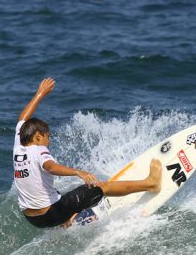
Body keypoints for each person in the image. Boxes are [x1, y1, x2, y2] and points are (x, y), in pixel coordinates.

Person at [13, 78, 162, 228]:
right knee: (100, 187)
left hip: (32, 219)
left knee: (51, 190)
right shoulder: (39, 150)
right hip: (51, 215)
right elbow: (50, 167)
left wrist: (40, 93)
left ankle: (67, 221)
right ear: (38, 135)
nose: (48, 142)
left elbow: (22, 118)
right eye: (47, 137)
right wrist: (78, 172)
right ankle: (151, 184)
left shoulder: (19, 145)